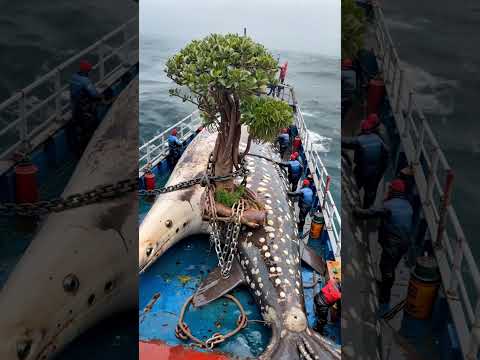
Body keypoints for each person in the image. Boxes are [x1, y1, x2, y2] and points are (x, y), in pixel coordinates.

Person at [353, 179, 413, 313]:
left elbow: (371, 212)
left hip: (392, 244)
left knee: (386, 269)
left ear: (393, 191)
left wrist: (356, 211)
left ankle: (383, 300)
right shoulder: (408, 205)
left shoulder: (389, 205)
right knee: (392, 265)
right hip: (404, 243)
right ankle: (386, 287)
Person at [342, 115, 389, 208]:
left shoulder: (359, 140)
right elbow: (386, 154)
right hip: (375, 172)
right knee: (370, 193)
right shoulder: (378, 138)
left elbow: (346, 142)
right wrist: (380, 171)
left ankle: (353, 206)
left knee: (354, 187)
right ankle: (366, 212)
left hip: (361, 170)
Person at [69, 60, 102, 153]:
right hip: (84, 111)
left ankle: (79, 150)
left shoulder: (73, 77)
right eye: (89, 71)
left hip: (75, 110)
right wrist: (101, 97)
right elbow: (94, 94)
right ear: (86, 71)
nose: (90, 72)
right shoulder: (85, 81)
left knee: (80, 131)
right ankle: (87, 151)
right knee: (88, 130)